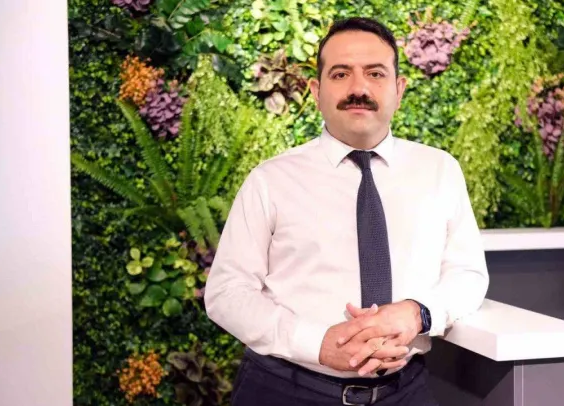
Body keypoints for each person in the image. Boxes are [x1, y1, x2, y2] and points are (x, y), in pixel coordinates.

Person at [204, 16, 489, 406]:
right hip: (285, 391)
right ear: (316, 91)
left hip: (406, 394)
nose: (358, 88)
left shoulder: (440, 171)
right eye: (340, 74)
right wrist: (317, 343)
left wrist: (418, 314)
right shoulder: (270, 180)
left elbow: (468, 274)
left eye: (375, 73)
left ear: (399, 89)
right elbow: (227, 292)